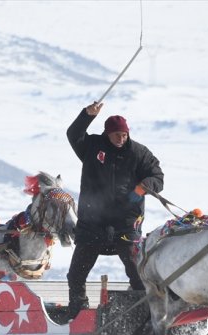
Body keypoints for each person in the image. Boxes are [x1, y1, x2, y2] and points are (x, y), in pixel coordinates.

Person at [64, 101, 164, 321]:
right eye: (117, 135)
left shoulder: (139, 153)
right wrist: (86, 115)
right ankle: (78, 313)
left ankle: (140, 313)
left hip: (126, 223)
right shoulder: (91, 146)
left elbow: (158, 177)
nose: (121, 139)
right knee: (76, 274)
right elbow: (73, 134)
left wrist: (143, 186)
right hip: (92, 223)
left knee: (138, 273)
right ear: (107, 134)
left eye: (124, 135)